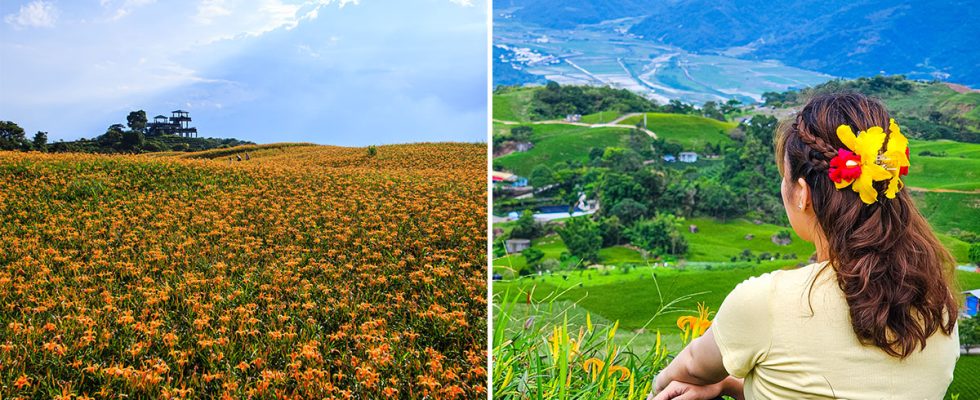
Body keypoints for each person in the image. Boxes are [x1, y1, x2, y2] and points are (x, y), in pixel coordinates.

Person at [649, 92, 960, 400]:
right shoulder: (940, 308)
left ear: (801, 193)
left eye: (784, 177)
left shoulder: (767, 303)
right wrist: (729, 385)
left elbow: (690, 367)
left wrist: (656, 383)